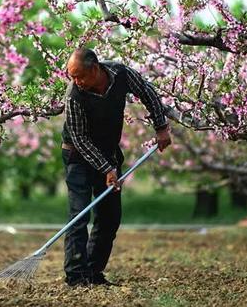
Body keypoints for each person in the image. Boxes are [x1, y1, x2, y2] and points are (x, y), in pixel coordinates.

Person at [61, 47, 172, 287]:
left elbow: (147, 91)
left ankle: (92, 272)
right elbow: (79, 138)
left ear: (95, 69)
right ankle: (75, 276)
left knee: (110, 216)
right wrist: (106, 169)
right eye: (72, 77)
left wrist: (161, 126)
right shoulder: (74, 95)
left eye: (79, 76)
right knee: (79, 215)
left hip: (109, 153)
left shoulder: (120, 73)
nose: (75, 81)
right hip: (77, 157)